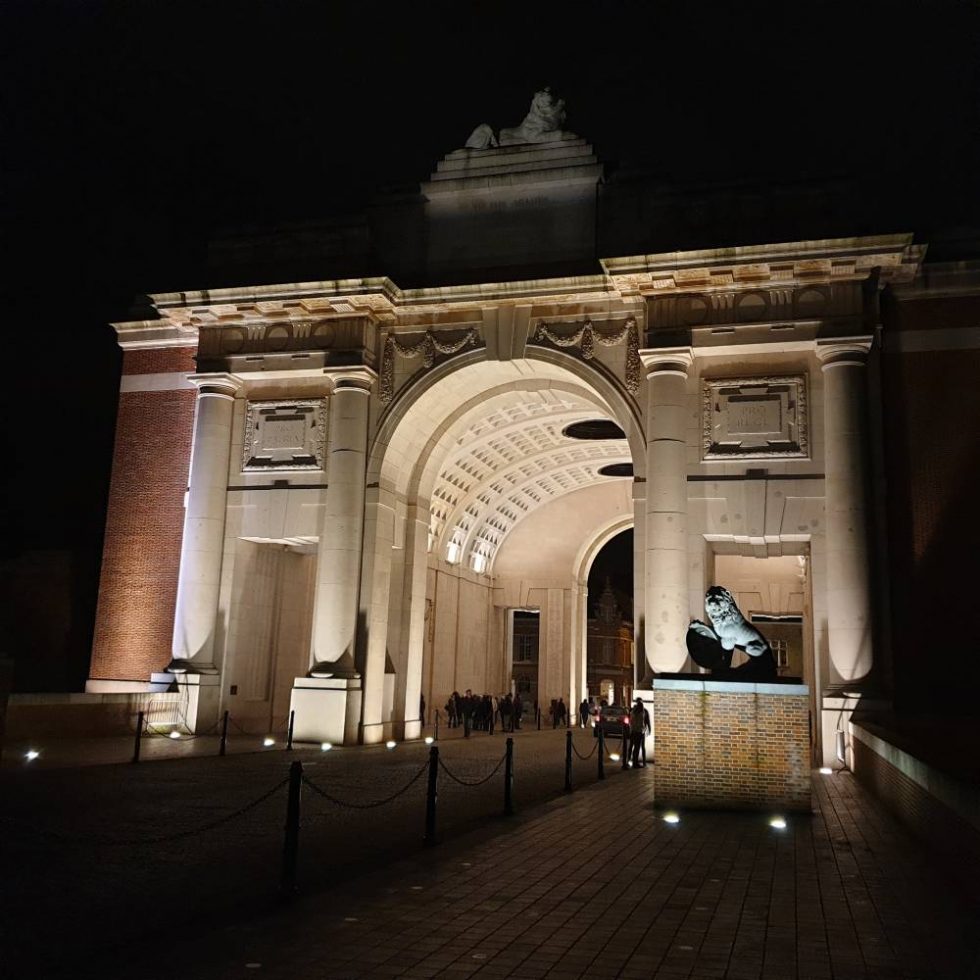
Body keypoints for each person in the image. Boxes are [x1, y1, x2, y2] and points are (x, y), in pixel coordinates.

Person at [628, 698, 646, 768]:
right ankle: (635, 763)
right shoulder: (641, 713)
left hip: (633, 731)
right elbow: (641, 723)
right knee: (637, 748)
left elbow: (631, 721)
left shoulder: (632, 712)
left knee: (632, 746)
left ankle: (630, 761)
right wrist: (643, 729)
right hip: (638, 732)